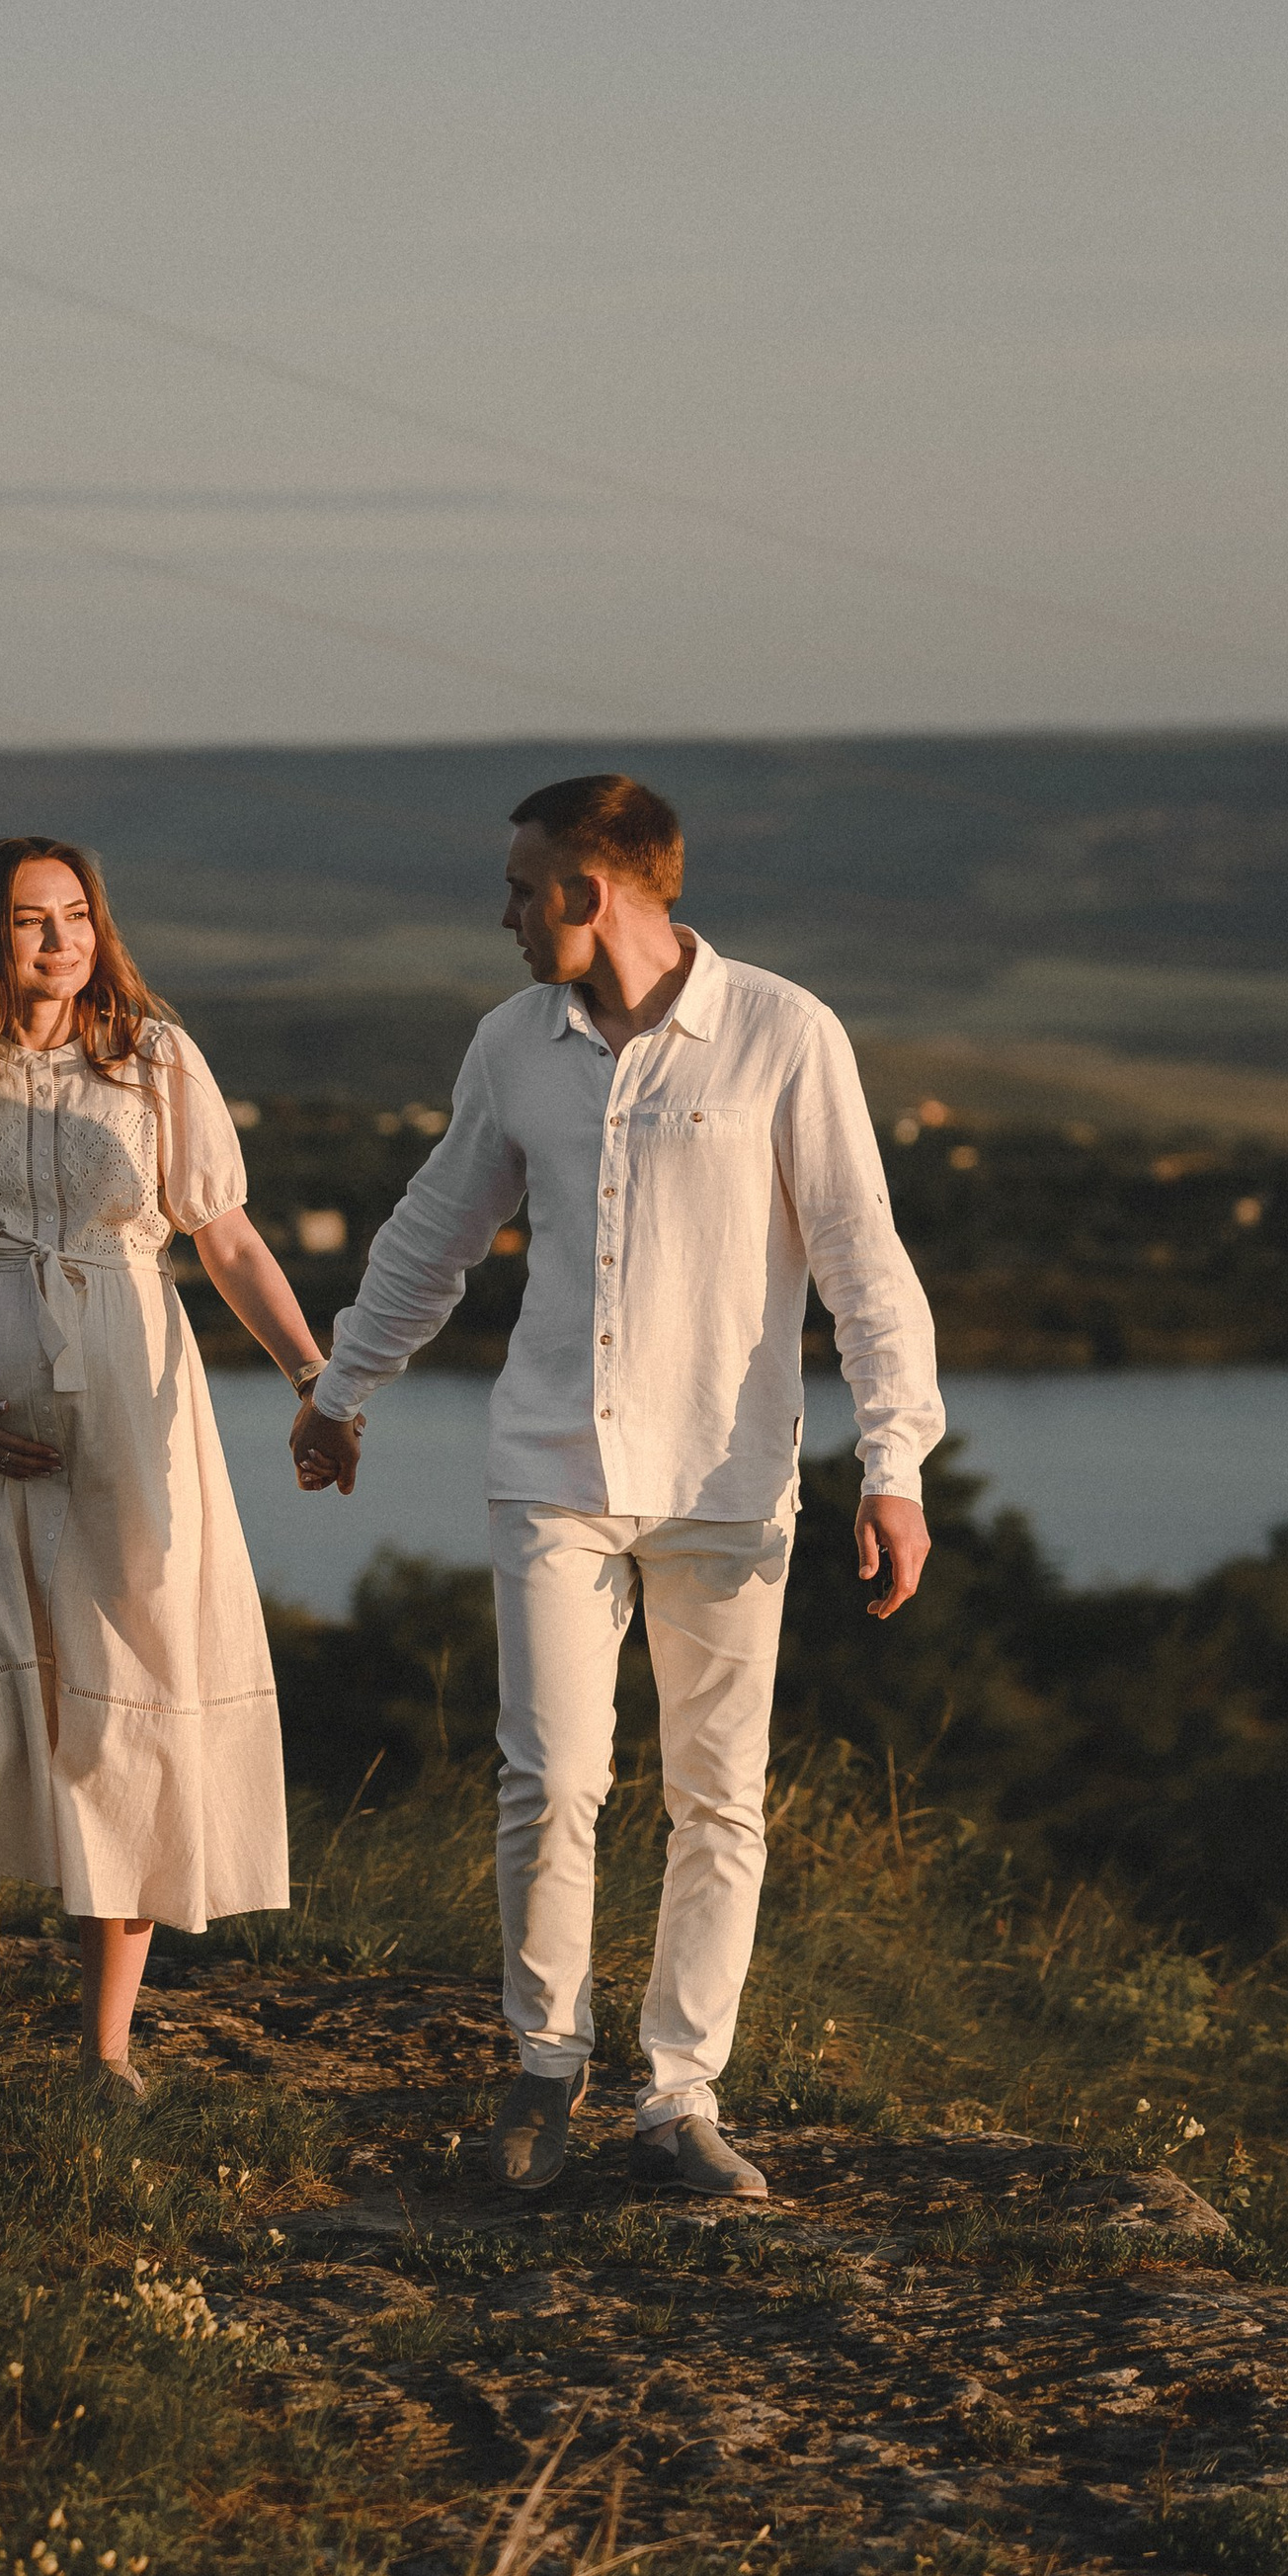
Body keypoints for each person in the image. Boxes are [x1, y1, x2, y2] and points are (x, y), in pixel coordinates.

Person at [293, 772, 943, 2199]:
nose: (509, 916)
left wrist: (892, 1464)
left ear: (593, 892)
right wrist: (344, 1387)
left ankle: (679, 2097)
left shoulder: (783, 1032)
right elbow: (434, 1229)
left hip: (728, 1470)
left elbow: (863, 1260)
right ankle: (544, 2064)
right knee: (553, 1777)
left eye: (527, 889)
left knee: (718, 1795)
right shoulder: (511, 1044)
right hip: (554, 1463)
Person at [0, 836, 334, 2098]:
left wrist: (312, 1377)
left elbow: (223, 1239)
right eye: (26, 920)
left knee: (128, 1689)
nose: (58, 940)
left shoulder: (153, 1058)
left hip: (132, 1403)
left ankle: (104, 2046)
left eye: (74, 915)